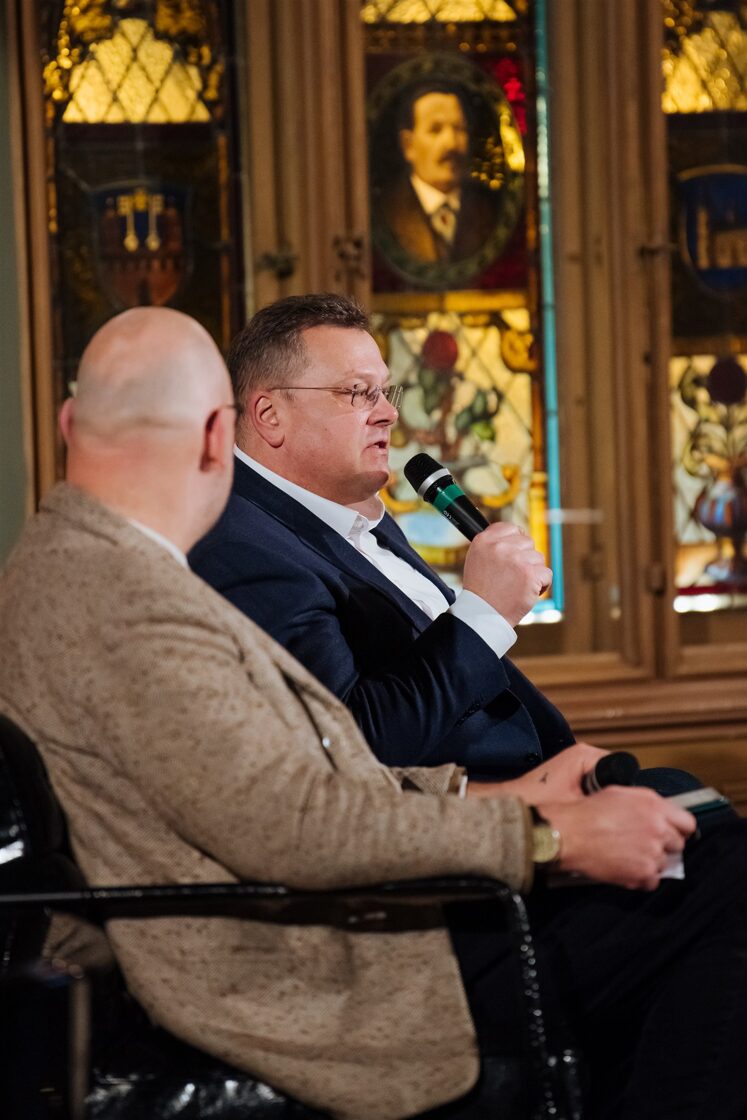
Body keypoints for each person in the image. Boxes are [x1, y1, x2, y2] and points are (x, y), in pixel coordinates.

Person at [2, 307, 746, 1120]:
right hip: (311, 970)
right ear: (222, 436)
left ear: (70, 424)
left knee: (710, 860)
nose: (385, 412)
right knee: (726, 887)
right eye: (360, 393)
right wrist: (545, 837)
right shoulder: (128, 598)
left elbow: (300, 777)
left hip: (324, 917)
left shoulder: (70, 563)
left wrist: (506, 796)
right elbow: (296, 822)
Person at [190, 294, 580, 779]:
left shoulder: (356, 511)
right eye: (358, 392)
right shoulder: (242, 547)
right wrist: (484, 613)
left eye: (384, 392)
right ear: (270, 415)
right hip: (471, 811)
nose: (389, 414)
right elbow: (354, 742)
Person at [379, 83, 499, 265]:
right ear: (408, 145)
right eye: (435, 129)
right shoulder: (386, 212)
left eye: (459, 129)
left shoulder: (491, 209)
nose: (451, 143)